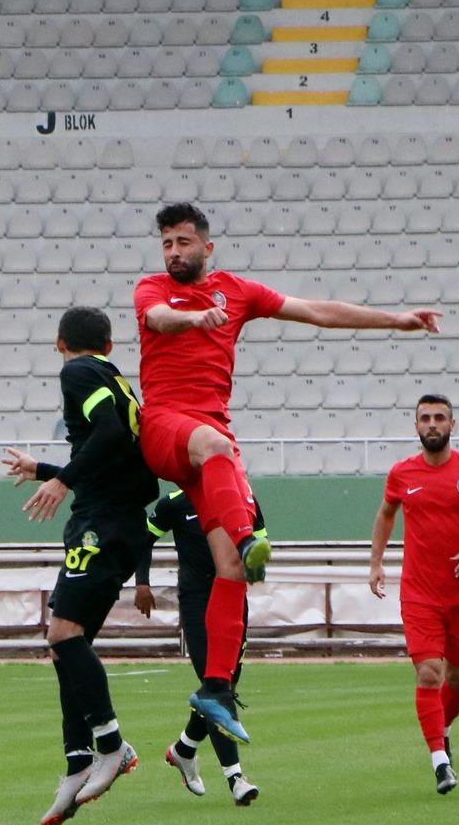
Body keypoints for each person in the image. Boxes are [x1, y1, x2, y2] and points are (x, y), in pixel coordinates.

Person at [134, 201, 441, 744]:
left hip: (209, 439)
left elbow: (318, 311)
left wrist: (396, 320)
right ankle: (253, 537)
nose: (173, 252)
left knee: (227, 566)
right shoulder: (153, 290)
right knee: (218, 450)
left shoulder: (239, 291)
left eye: (182, 243)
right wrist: (193, 318)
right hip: (164, 428)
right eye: (166, 244)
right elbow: (157, 319)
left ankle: (216, 688)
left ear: (207, 247)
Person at [2, 306, 159, 825]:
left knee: (63, 635)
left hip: (101, 523)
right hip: (118, 518)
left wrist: (62, 480)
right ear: (111, 345)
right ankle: (76, 761)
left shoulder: (77, 371)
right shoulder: (116, 378)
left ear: (59, 342)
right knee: (68, 646)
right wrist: (46, 468)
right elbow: (113, 451)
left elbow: (110, 436)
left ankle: (111, 746)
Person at [368, 394, 459, 795]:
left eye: (439, 418)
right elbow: (385, 514)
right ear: (415, 426)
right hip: (419, 594)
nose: (432, 424)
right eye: (425, 418)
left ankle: (442, 730)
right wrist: (376, 563)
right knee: (430, 672)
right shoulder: (401, 474)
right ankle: (440, 762)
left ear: (452, 425)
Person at [133, 489, 265, 806]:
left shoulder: (244, 498)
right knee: (216, 687)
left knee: (223, 686)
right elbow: (143, 539)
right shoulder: (176, 502)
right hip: (197, 604)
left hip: (233, 600)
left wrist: (257, 567)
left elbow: (258, 544)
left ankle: (184, 748)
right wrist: (142, 583)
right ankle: (235, 778)